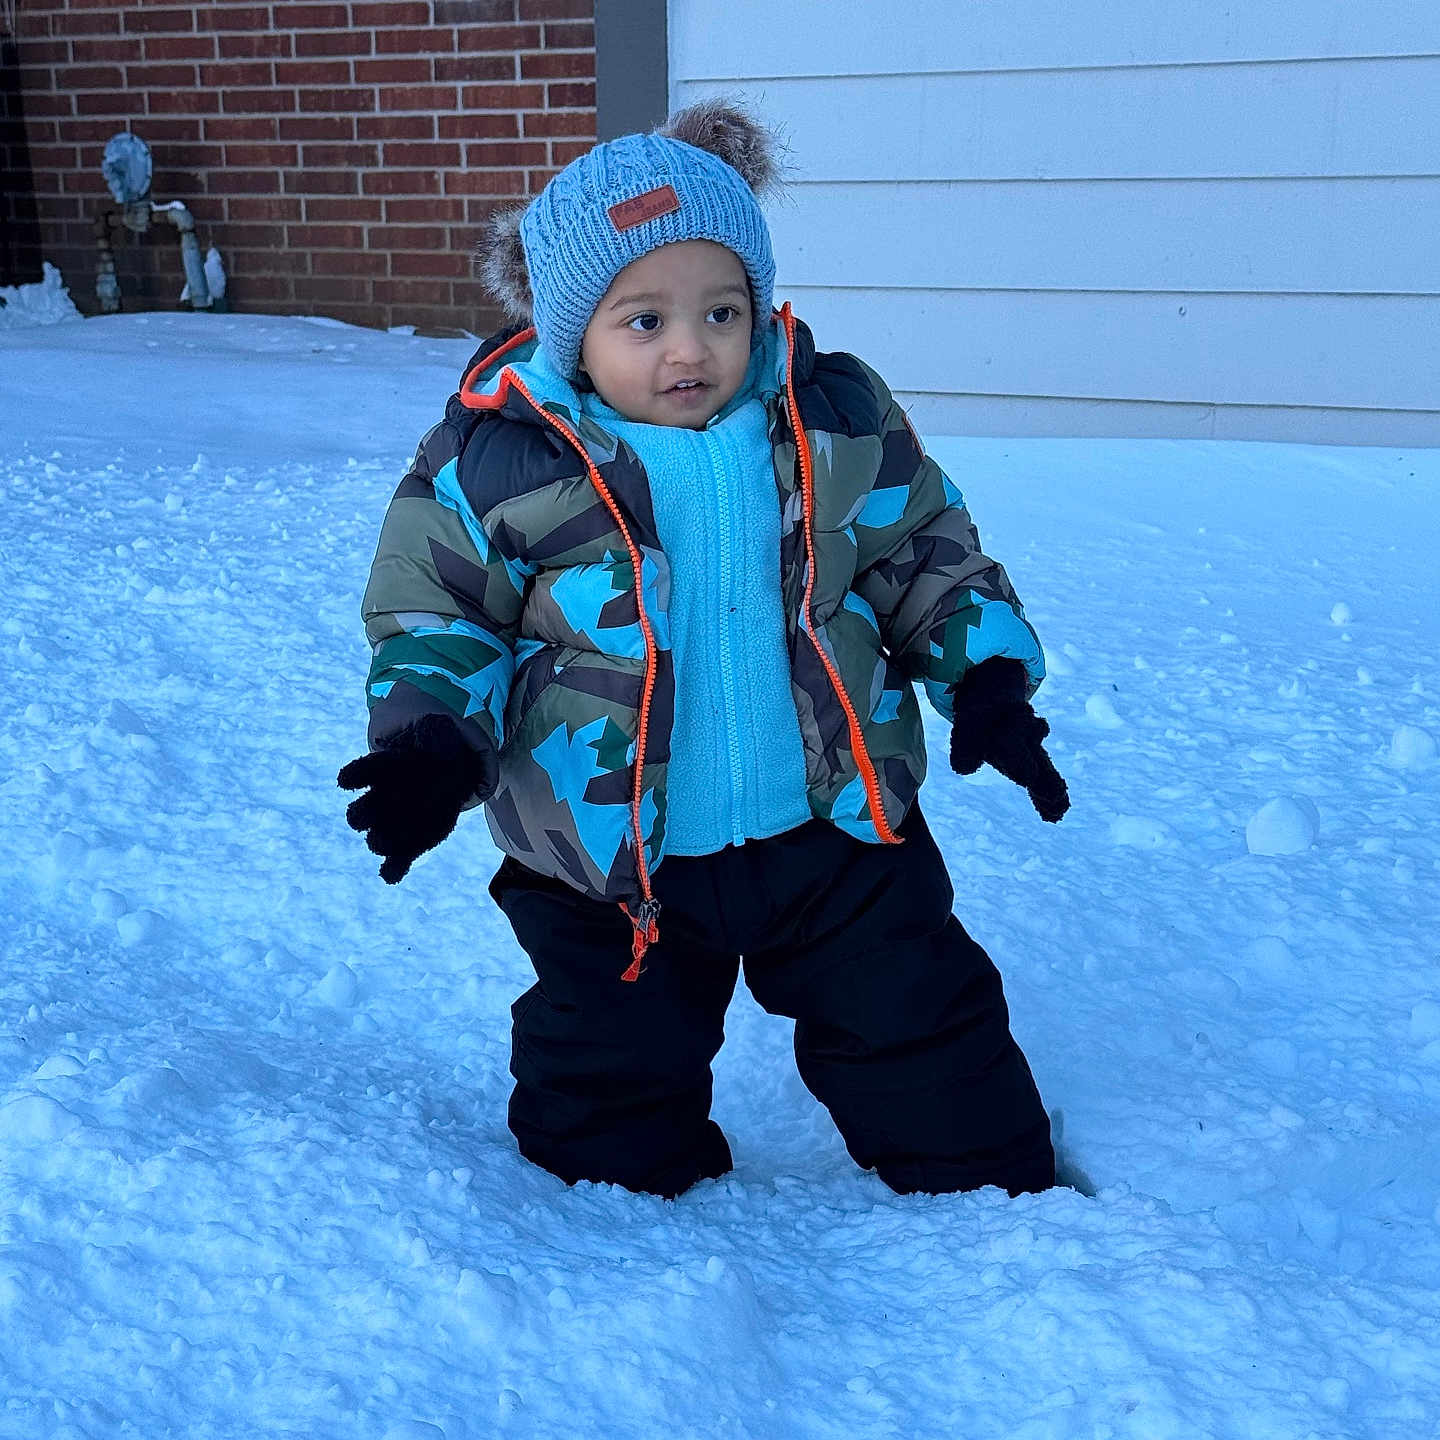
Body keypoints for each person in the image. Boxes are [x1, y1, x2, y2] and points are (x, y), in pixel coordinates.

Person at [339, 100, 1070, 1201]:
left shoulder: (831, 419)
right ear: (570, 333)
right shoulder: (498, 461)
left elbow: (921, 550)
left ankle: (991, 1197)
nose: (691, 348)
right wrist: (431, 746)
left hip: (832, 825)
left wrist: (989, 677)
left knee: (918, 1017)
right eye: (644, 320)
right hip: (612, 854)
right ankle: (616, 1236)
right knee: (607, 1089)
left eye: (722, 311)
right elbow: (437, 614)